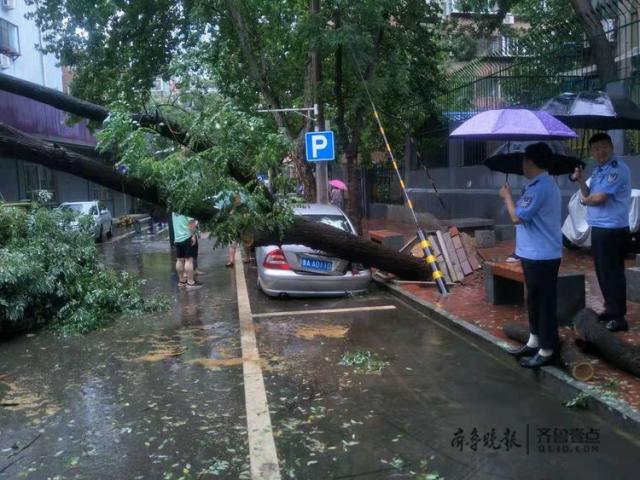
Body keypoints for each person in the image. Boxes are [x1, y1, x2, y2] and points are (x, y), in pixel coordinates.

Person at [499, 143, 562, 368]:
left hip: (542, 255)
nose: (522, 165)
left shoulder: (542, 187)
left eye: (524, 160)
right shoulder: (536, 185)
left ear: (531, 162)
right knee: (533, 300)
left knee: (544, 302)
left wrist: (506, 196)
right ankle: (534, 341)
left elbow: (518, 217)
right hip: (532, 253)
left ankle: (547, 350)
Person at [573, 132, 632, 332]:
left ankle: (619, 317)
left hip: (613, 229)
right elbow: (589, 193)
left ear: (611, 147)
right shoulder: (598, 171)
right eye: (596, 148)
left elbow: (598, 198)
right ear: (591, 152)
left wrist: (584, 201)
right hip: (599, 228)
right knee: (602, 272)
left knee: (613, 273)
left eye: (604, 147)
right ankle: (610, 309)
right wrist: (581, 180)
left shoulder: (617, 169)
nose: (600, 151)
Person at [171, 212, 201, 289]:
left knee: (180, 260)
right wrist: (193, 235)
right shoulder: (187, 207)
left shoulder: (174, 211)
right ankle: (190, 282)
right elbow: (191, 223)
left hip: (178, 238)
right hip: (188, 237)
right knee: (189, 260)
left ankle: (182, 281)